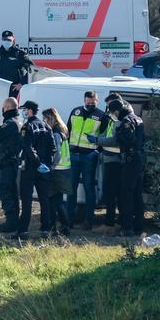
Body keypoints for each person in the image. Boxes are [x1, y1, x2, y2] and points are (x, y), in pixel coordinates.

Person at [95, 99, 146, 238]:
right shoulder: (138, 118)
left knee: (126, 194)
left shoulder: (126, 121)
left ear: (116, 111)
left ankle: (127, 228)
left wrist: (118, 132)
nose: (113, 116)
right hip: (139, 159)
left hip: (130, 160)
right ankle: (139, 227)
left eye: (112, 113)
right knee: (136, 194)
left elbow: (126, 139)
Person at [13, 100, 57, 240]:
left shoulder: (28, 126)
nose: (23, 112)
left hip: (30, 168)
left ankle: (23, 230)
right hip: (43, 169)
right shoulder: (46, 126)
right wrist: (47, 164)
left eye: (24, 109)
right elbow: (53, 148)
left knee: (26, 200)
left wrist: (37, 162)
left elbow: (27, 147)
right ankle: (46, 228)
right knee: (44, 200)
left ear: (30, 110)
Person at [66, 91, 104, 229]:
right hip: (74, 154)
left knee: (89, 188)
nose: (90, 105)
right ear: (84, 100)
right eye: (88, 102)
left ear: (97, 101)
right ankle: (69, 220)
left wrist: (96, 152)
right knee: (71, 188)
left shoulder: (101, 115)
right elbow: (67, 131)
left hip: (89, 156)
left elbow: (104, 136)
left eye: (93, 103)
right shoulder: (75, 111)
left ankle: (88, 220)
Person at [90, 93, 127, 230]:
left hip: (114, 159)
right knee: (112, 192)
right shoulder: (116, 117)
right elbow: (107, 133)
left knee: (111, 192)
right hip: (110, 157)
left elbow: (114, 140)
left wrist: (97, 140)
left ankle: (110, 223)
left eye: (109, 106)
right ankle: (115, 222)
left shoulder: (119, 119)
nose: (107, 110)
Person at [0, 97, 22, 232]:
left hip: (7, 162)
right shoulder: (19, 121)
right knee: (13, 191)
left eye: (4, 107)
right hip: (13, 161)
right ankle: (14, 219)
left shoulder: (10, 123)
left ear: (7, 107)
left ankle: (11, 221)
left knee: (5, 190)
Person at [42, 108, 73, 237]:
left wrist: (51, 167)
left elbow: (57, 153)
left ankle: (55, 227)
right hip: (64, 170)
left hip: (57, 171)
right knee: (58, 200)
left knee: (53, 201)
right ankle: (65, 227)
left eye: (45, 119)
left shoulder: (54, 132)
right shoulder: (62, 130)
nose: (44, 121)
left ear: (51, 118)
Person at [0, 30, 35, 97]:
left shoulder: (19, 54)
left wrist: (22, 83)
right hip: (0, 88)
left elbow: (32, 69)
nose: (6, 41)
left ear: (13, 40)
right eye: (4, 39)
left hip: (14, 89)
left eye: (9, 39)